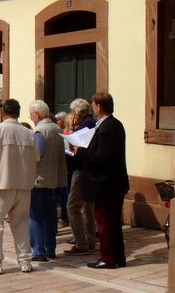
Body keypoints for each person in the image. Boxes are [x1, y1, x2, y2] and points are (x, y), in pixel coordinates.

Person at [0, 99, 39, 275]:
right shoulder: (29, 133)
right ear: (18, 113)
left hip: (0, 184)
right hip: (23, 185)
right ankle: (25, 261)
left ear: (2, 113)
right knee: (21, 224)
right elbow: (36, 159)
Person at [74, 92, 129, 269]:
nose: (93, 108)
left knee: (105, 223)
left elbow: (103, 157)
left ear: (99, 106)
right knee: (113, 223)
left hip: (106, 184)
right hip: (113, 183)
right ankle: (118, 257)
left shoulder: (106, 127)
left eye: (94, 105)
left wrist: (81, 151)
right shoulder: (115, 124)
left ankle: (108, 258)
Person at [28, 100, 67, 262]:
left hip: (39, 178)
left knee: (35, 215)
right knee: (49, 214)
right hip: (53, 177)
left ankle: (39, 251)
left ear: (37, 115)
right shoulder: (57, 128)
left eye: (31, 115)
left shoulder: (39, 131)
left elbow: (36, 157)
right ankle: (50, 248)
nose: (30, 118)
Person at [64, 98, 97, 255]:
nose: (72, 115)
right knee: (88, 206)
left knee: (72, 206)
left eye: (73, 112)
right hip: (90, 169)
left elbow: (79, 149)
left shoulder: (85, 126)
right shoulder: (92, 122)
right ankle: (90, 241)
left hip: (82, 169)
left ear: (78, 113)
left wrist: (71, 132)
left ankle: (81, 243)